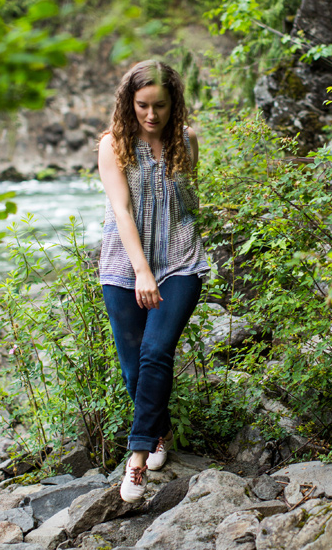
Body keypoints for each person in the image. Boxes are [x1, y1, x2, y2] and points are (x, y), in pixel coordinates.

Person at [98, 60, 210, 503]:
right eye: (142, 106)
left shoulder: (186, 141)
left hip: (182, 261)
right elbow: (123, 212)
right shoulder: (113, 146)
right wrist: (143, 271)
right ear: (130, 103)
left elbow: (187, 203)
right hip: (124, 269)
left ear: (173, 104)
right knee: (134, 371)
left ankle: (137, 459)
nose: (151, 115)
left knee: (156, 351)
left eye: (159, 106)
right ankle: (160, 431)